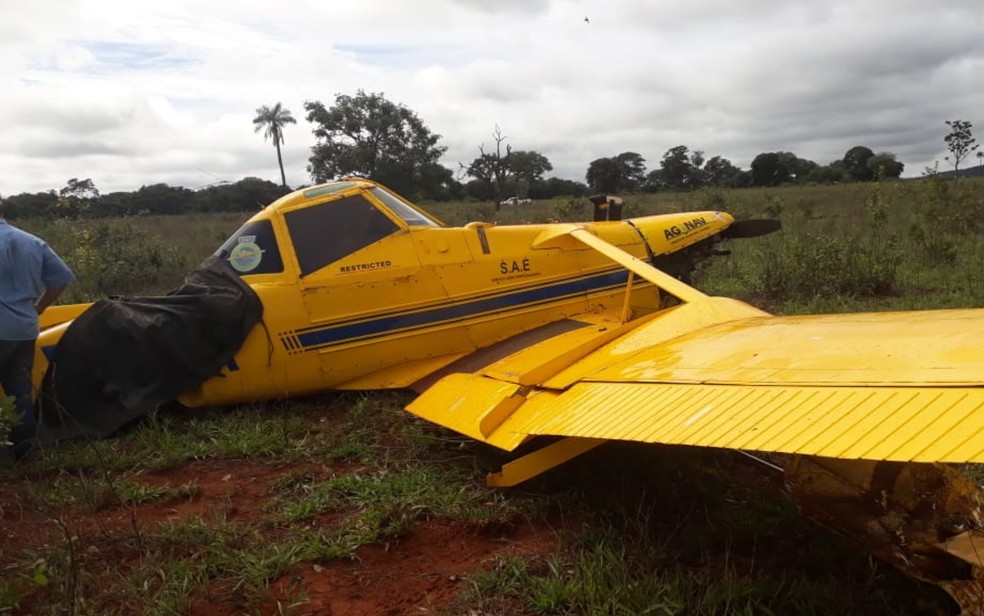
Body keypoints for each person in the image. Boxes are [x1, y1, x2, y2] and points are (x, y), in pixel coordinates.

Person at [0, 196, 75, 458]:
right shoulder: (31, 241)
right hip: (24, 328)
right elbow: (61, 277)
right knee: (19, 388)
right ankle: (26, 448)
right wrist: (40, 307)